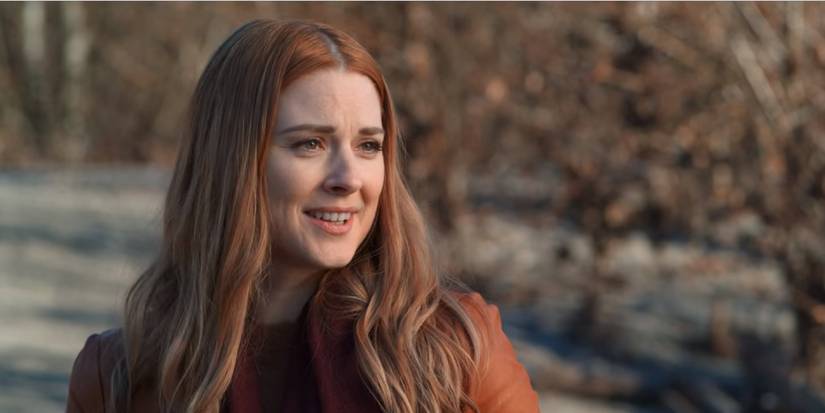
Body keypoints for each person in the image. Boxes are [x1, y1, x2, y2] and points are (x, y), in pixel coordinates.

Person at [66, 19, 539, 413]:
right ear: (232, 162)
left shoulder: (452, 349)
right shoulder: (121, 375)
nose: (348, 178)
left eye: (368, 146)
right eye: (310, 143)